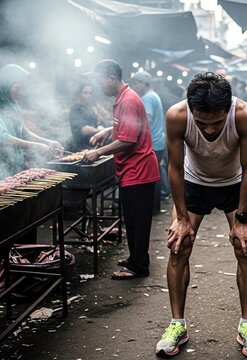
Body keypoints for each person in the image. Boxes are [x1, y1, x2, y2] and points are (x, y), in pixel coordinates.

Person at [156, 72, 247, 358]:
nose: (211, 130)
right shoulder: (177, 116)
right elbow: (175, 168)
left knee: (246, 248)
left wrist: (242, 220)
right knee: (179, 247)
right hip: (193, 183)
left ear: (228, 108)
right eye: (203, 123)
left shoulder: (245, 115)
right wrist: (180, 218)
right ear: (192, 111)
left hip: (235, 183)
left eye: (217, 122)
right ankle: (177, 324)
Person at [83, 59, 160, 280]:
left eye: (99, 81)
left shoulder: (127, 99)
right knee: (133, 219)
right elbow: (127, 127)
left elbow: (128, 139)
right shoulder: (124, 97)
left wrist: (99, 152)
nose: (98, 86)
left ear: (111, 78)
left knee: (138, 221)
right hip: (133, 169)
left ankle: (139, 266)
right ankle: (135, 258)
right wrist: (109, 129)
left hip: (139, 169)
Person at [0, 64, 64, 183]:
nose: (20, 92)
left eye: (22, 88)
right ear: (6, 85)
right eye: (17, 88)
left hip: (14, 170)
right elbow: (3, 139)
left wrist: (47, 142)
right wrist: (36, 146)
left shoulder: (12, 104)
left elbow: (23, 131)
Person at [131, 70, 170, 210]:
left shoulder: (147, 98)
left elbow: (146, 120)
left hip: (153, 142)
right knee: (155, 173)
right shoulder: (154, 95)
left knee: (151, 176)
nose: (135, 86)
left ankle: (152, 207)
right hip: (159, 140)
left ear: (143, 84)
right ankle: (155, 206)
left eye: (136, 83)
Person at [68, 81, 103, 152]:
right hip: (80, 147)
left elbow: (96, 124)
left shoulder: (90, 108)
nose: (88, 95)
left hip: (91, 144)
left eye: (90, 93)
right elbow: (84, 129)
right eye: (85, 93)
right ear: (79, 94)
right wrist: (101, 131)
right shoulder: (76, 109)